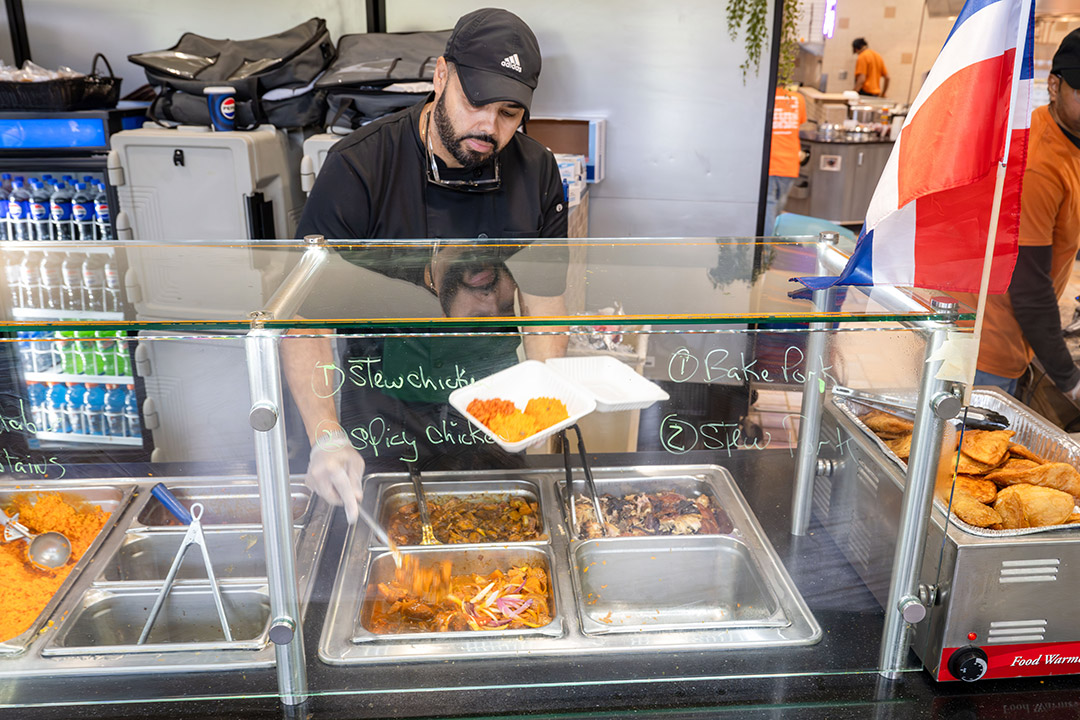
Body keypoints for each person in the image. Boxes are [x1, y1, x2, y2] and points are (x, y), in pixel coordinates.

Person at [285, 8, 569, 523]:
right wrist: (325, 435)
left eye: (509, 113)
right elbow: (306, 322)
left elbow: (545, 306)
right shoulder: (358, 167)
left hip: (492, 409)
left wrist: (541, 404)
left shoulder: (537, 172)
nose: (489, 127)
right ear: (441, 76)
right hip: (381, 413)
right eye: (476, 102)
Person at [962, 28, 1080, 399]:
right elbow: (1028, 287)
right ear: (1054, 86)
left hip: (1009, 332)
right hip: (987, 344)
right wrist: (1070, 380)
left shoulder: (1065, 139)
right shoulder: (1038, 165)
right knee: (970, 437)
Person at [764, 85, 806, 236]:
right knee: (778, 207)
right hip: (789, 162)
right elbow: (801, 121)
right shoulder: (797, 98)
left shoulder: (764, 96)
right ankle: (770, 242)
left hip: (768, 162)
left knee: (768, 205)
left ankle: (766, 245)